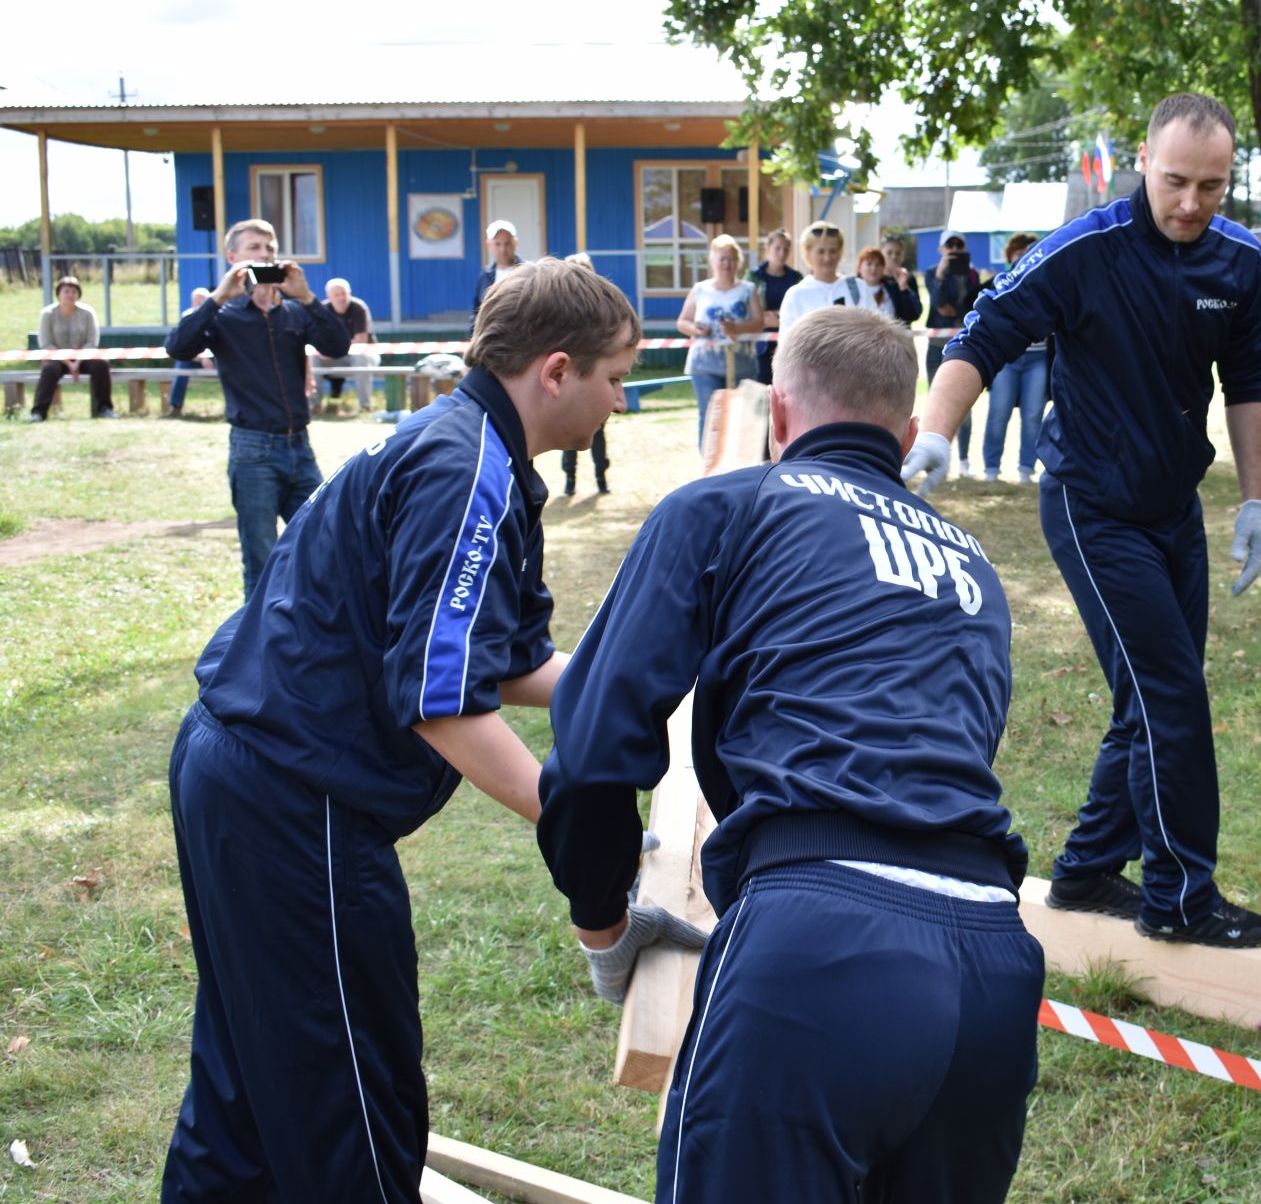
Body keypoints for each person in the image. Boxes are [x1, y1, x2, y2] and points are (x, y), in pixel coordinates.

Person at [160, 258, 654, 1204]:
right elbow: (441, 701)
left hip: (244, 768)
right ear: (556, 372)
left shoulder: (476, 449)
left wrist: (642, 687)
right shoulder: (465, 467)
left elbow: (495, 659)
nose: (621, 403)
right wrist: (581, 831)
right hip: (293, 801)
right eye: (616, 377)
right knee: (353, 1101)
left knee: (248, 1090)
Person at [538, 305, 1043, 1204]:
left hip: (817, 944)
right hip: (995, 963)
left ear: (778, 414)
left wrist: (600, 922)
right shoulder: (973, 564)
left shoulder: (726, 508)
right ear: (904, 429)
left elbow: (593, 741)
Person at [905, 92, 1261, 949]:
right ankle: (1181, 897)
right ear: (1141, 163)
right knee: (1170, 694)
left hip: (1173, 506)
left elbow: (1251, 383)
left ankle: (1085, 871)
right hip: (1091, 504)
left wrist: (1255, 498)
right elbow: (982, 336)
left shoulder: (1237, 262)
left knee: (1150, 692)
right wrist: (935, 432)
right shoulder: (1083, 252)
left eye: (1214, 187)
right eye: (1177, 181)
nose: (1192, 204)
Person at [163, 220, 351, 599]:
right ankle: (258, 653)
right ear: (233, 258)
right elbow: (178, 347)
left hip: (300, 447)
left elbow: (338, 344)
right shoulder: (223, 317)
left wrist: (308, 297)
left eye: (269, 248)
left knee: (326, 545)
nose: (264, 255)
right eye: (254, 249)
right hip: (253, 453)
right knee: (262, 559)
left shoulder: (295, 313)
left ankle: (312, 636)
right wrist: (218, 297)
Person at [676, 234, 763, 450]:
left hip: (742, 362)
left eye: (731, 259)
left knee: (742, 417)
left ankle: (740, 468)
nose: (726, 264)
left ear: (738, 262)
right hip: (705, 364)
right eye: (722, 259)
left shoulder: (748, 290)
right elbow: (682, 322)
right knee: (710, 416)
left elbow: (759, 323)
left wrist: (737, 329)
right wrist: (696, 329)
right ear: (712, 261)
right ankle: (710, 467)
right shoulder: (700, 289)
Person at [979, 233, 1048, 483]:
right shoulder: (1000, 283)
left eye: (1027, 251)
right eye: (1017, 251)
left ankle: (1026, 469)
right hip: (1007, 361)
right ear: (1009, 256)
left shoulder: (1048, 284)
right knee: (998, 412)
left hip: (1038, 360)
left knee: (1033, 415)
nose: (1021, 255)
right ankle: (991, 469)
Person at [924, 233, 979, 476]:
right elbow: (939, 304)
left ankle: (964, 461)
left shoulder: (971, 274)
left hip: (962, 346)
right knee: (936, 404)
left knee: (963, 408)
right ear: (941, 248)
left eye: (959, 245)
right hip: (937, 346)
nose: (954, 249)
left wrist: (965, 278)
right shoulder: (932, 272)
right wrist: (941, 275)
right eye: (950, 245)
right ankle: (935, 461)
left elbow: (969, 306)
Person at [561, 252, 613, 494]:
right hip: (570, 377)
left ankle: (601, 478)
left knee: (597, 429)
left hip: (595, 375)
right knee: (568, 428)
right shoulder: (559, 309)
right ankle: (569, 481)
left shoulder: (604, 309)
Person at [28, 276, 114, 422]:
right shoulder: (47, 314)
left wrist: (78, 361)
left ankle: (105, 408)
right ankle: (39, 412)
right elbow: (46, 343)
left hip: (83, 356)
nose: (70, 295)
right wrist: (68, 362)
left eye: (73, 292)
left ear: (78, 294)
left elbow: (92, 342)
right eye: (66, 291)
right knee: (49, 369)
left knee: (101, 365)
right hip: (56, 357)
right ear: (59, 294)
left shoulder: (87, 313)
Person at [309, 278, 378, 413]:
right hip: (332, 356)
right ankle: (314, 406)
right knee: (313, 359)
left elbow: (360, 341)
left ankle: (365, 407)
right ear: (329, 296)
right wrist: (325, 349)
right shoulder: (322, 310)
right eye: (337, 295)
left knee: (360, 358)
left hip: (360, 355)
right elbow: (316, 338)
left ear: (350, 293)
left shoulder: (359, 307)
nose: (341, 298)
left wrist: (333, 348)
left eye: (344, 293)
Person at [776, 219, 852, 329]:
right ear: (807, 253)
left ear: (840, 252)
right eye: (821, 251)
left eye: (832, 251)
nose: (827, 258)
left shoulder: (858, 288)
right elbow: (786, 342)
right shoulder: (796, 295)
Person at [750, 228, 801, 385]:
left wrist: (778, 318)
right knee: (762, 391)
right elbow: (749, 312)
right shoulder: (754, 277)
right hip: (761, 345)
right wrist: (765, 318)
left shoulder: (796, 278)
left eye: (786, 249)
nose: (781, 253)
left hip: (790, 343)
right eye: (777, 248)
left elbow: (800, 311)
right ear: (767, 249)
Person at [470, 219, 523, 336]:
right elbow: (477, 312)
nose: (503, 249)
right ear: (489, 244)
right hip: (492, 340)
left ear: (515, 243)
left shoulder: (529, 273)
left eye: (507, 243)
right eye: (498, 244)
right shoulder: (484, 276)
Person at [166, 287, 213, 419]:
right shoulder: (187, 317)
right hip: (196, 359)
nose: (200, 305)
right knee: (181, 365)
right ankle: (175, 406)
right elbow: (183, 346)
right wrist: (202, 358)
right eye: (198, 301)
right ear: (193, 302)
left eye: (204, 301)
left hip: (217, 359)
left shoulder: (217, 314)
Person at [853, 245, 925, 325]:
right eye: (869, 264)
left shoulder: (892, 289)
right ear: (859, 267)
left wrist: (903, 288)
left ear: (883, 268)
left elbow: (912, 315)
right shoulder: (851, 289)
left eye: (878, 265)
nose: (873, 268)